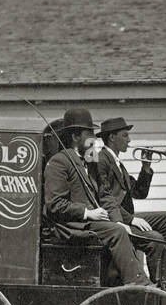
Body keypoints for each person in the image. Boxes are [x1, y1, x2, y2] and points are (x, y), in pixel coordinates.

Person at [42, 108, 151, 286]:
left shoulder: (89, 161)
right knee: (117, 232)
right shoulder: (59, 162)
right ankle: (138, 283)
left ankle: (132, 279)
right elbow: (54, 204)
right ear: (75, 137)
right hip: (71, 225)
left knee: (122, 229)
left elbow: (104, 195)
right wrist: (87, 213)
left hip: (91, 222)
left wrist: (119, 220)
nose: (94, 137)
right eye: (89, 133)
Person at [91, 117, 166, 281]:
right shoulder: (102, 160)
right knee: (155, 239)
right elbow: (105, 198)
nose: (129, 140)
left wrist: (145, 168)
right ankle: (160, 282)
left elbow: (139, 192)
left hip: (126, 216)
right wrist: (130, 219)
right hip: (115, 220)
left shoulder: (117, 163)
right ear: (112, 137)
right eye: (125, 135)